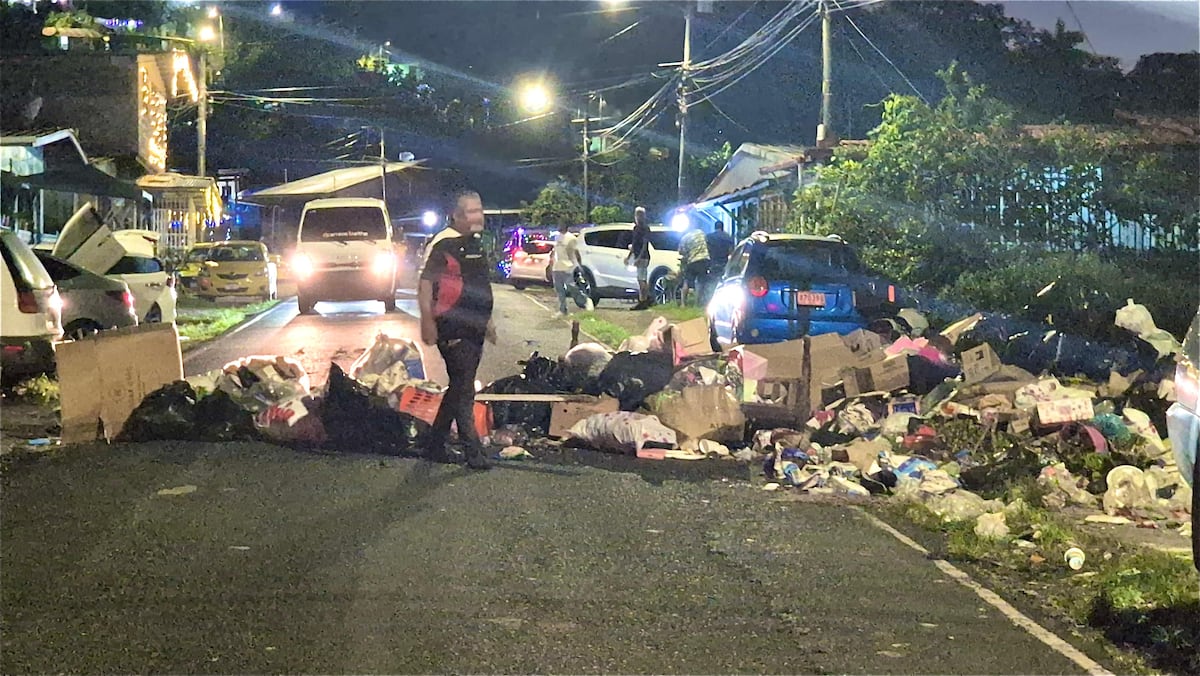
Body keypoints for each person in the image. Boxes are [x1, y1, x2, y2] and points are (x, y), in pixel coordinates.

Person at [418, 188, 496, 470]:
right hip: (452, 326)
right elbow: (426, 283)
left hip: (474, 327)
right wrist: (427, 320)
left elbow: (478, 286)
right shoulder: (443, 244)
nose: (479, 216)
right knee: (464, 389)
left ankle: (434, 443)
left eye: (480, 209)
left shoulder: (474, 243)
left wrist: (488, 322)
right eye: (472, 211)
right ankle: (472, 451)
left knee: (459, 387)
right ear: (456, 215)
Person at [549, 222, 593, 315]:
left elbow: (575, 252)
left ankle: (585, 300)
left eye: (560, 225)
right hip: (558, 266)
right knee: (559, 289)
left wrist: (577, 264)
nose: (559, 227)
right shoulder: (557, 237)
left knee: (571, 286)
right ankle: (562, 309)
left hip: (569, 265)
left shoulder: (571, 238)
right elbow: (555, 251)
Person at [677, 222, 711, 307]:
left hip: (693, 261)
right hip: (704, 259)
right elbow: (707, 242)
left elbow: (681, 251)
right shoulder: (701, 232)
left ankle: (683, 304)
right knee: (700, 282)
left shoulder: (685, 238)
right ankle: (697, 303)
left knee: (687, 282)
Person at [627, 206, 652, 310]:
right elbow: (634, 244)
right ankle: (644, 300)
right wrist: (629, 256)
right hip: (643, 256)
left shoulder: (641, 229)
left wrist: (638, 257)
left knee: (641, 279)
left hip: (642, 257)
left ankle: (643, 301)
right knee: (642, 279)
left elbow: (644, 244)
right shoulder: (642, 228)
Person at [704, 221, 735, 300]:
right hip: (724, 262)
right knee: (724, 281)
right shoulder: (728, 237)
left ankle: (710, 298)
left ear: (715, 227)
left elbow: (706, 249)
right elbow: (731, 251)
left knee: (712, 281)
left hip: (712, 262)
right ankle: (722, 298)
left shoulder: (709, 237)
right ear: (722, 227)